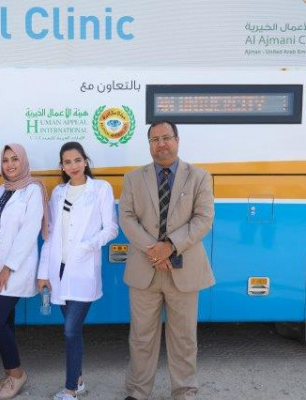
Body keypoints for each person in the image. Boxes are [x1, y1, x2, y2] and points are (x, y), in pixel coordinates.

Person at [119, 120, 214, 400]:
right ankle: (137, 391)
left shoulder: (199, 177)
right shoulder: (133, 178)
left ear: (177, 140)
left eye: (166, 138)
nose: (161, 144)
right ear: (149, 144)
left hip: (184, 270)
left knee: (184, 338)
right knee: (141, 337)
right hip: (144, 270)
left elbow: (203, 218)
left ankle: (184, 391)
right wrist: (155, 250)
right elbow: (127, 218)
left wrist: (170, 246)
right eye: (154, 139)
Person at [37, 141, 118, 400]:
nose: (73, 166)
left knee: (71, 330)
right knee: (72, 331)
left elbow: (111, 229)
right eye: (67, 162)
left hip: (83, 270)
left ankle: (70, 389)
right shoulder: (58, 193)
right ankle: (79, 380)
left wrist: (87, 246)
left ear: (85, 161)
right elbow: (49, 235)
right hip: (58, 271)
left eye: (77, 160)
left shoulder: (101, 189)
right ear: (62, 166)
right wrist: (43, 272)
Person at [0, 144, 48, 400]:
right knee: (6, 321)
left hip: (13, 267)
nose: (10, 165)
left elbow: (29, 231)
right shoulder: (2, 189)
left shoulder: (33, 190)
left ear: (23, 161)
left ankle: (17, 373)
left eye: (15, 159)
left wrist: (8, 267)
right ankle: (9, 374)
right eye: (5, 160)